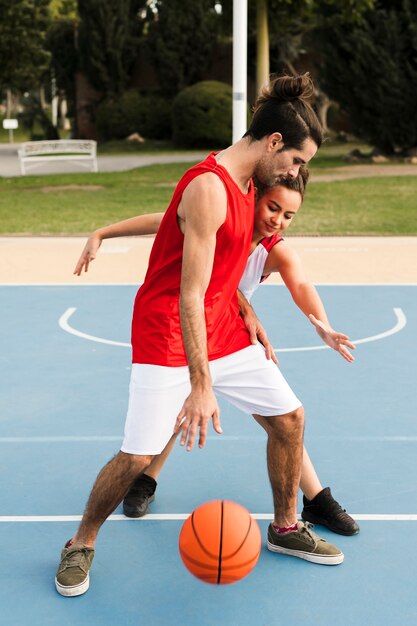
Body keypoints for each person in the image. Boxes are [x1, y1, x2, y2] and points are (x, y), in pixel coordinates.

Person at [56, 73, 344, 599]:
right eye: (298, 161)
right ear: (274, 142)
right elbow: (189, 295)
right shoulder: (209, 187)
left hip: (223, 324)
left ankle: (284, 527)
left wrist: (244, 305)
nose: (298, 173)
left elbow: (221, 265)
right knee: (139, 457)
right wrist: (202, 384)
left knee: (290, 419)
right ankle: (81, 542)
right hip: (168, 330)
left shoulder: (252, 183)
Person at [74, 167, 359, 537]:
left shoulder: (275, 251)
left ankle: (316, 499)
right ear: (254, 199)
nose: (279, 220)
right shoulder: (219, 222)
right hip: (182, 329)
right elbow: (165, 224)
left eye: (289, 215)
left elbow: (301, 283)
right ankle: (144, 480)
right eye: (273, 208)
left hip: (228, 337)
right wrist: (102, 233)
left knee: (285, 419)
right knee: (177, 412)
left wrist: (322, 324)